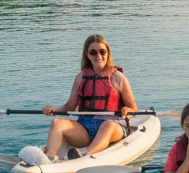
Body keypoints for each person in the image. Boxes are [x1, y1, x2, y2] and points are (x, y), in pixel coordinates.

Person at [35, 34, 138, 162]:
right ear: (87, 55)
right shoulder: (80, 78)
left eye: (102, 52)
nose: (98, 56)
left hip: (113, 126)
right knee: (57, 122)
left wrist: (127, 110)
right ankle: (47, 160)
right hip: (85, 129)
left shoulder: (118, 78)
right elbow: (69, 107)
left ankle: (85, 158)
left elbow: (133, 108)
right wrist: (54, 110)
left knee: (107, 125)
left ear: (108, 53)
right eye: (93, 53)